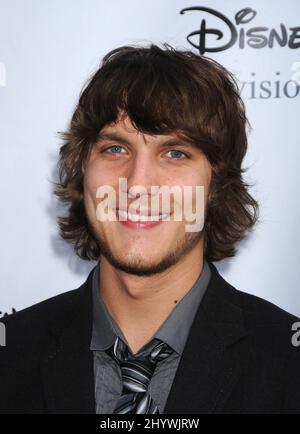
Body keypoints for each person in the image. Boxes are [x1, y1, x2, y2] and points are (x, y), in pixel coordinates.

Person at [0, 43, 299, 414]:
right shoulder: (10, 352)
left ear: (217, 185)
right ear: (82, 170)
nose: (138, 184)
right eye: (115, 149)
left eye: (175, 153)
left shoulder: (288, 365)